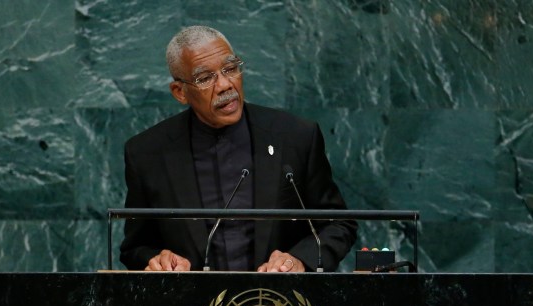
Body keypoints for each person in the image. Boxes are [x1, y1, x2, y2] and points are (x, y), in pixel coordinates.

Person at [120, 25, 357, 272]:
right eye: (205, 78)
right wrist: (157, 260)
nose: (224, 85)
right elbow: (135, 247)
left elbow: (338, 224)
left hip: (281, 304)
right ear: (180, 92)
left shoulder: (295, 137)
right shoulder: (147, 153)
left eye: (230, 69)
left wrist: (299, 260)